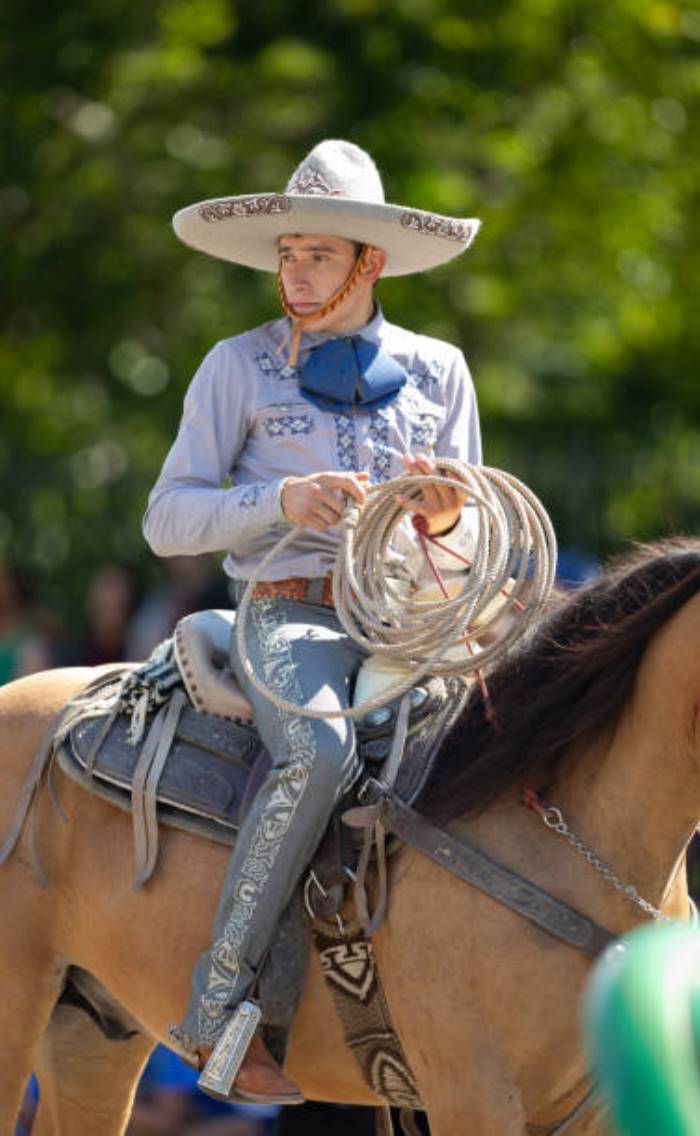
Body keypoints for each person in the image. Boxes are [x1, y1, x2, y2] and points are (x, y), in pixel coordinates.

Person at [143, 139, 482, 1104]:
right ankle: (215, 1007)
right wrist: (278, 502)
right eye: (287, 253)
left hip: (412, 625)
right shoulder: (234, 367)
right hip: (287, 616)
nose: (294, 273)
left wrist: (446, 514)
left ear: (368, 263)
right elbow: (165, 520)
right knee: (322, 756)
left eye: (317, 256)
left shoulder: (440, 370)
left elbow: (465, 535)